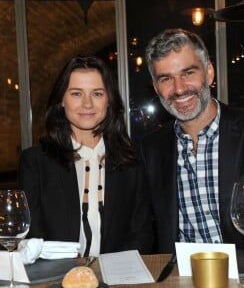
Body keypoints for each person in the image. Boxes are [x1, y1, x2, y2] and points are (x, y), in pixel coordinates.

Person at [141, 28, 244, 254]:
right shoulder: (151, 149)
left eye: (188, 73)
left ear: (209, 73)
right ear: (156, 88)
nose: (178, 88)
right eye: (166, 78)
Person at [18, 55, 154, 256]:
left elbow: (142, 236)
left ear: (109, 100)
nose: (87, 104)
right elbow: (32, 238)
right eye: (76, 93)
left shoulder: (132, 162)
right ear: (61, 100)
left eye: (97, 93)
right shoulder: (35, 163)